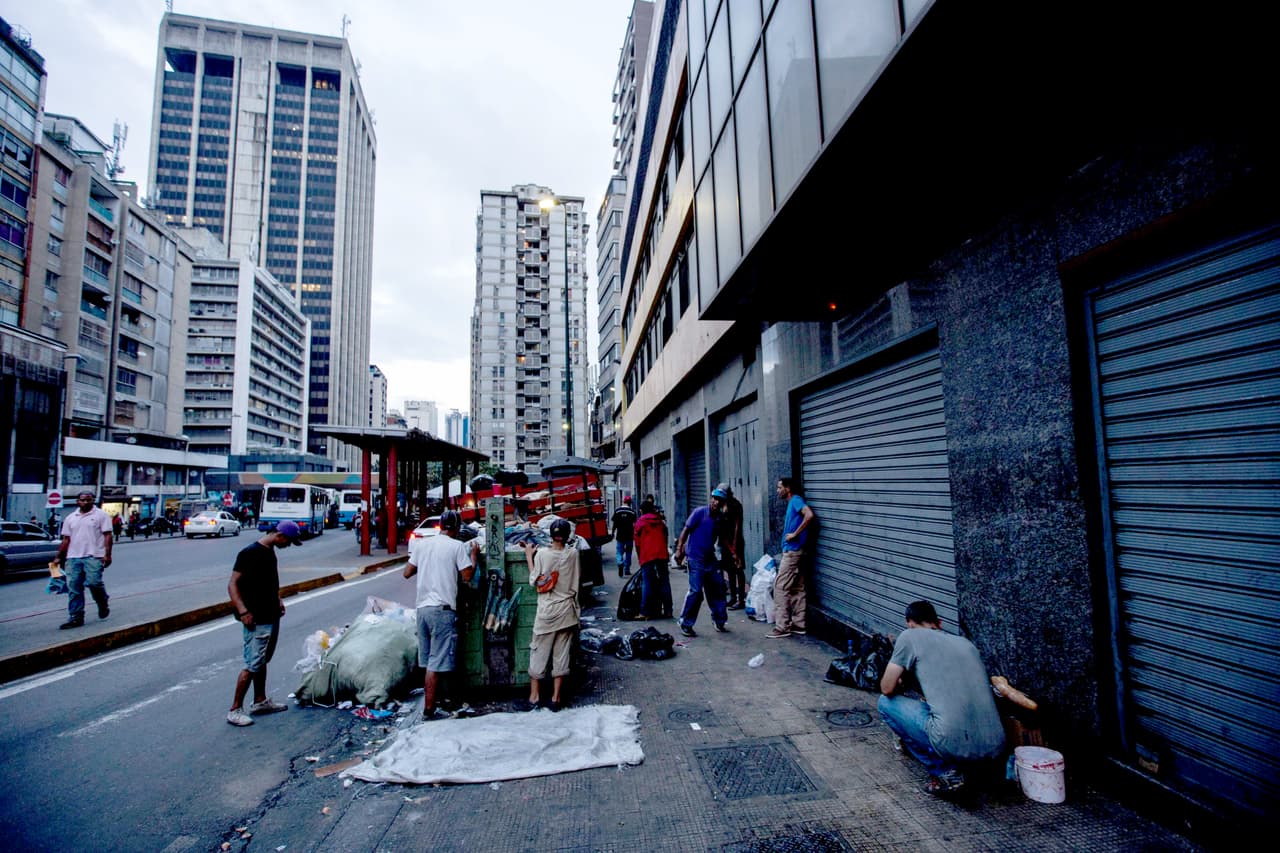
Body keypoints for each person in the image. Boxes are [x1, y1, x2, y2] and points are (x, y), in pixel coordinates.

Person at [878, 600, 1006, 795]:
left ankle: (944, 771)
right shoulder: (966, 644)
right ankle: (975, 769)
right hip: (997, 746)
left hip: (952, 742)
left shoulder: (909, 636)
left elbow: (886, 688)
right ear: (939, 623)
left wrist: (901, 679)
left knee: (885, 704)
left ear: (910, 624)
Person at [403, 510, 479, 720]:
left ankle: (436, 702)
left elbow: (407, 572)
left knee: (429, 660)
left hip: (422, 610)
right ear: (456, 528)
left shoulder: (422, 545)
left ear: (441, 526)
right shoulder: (456, 547)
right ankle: (429, 709)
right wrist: (473, 557)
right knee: (437, 663)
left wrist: (427, 565)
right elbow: (467, 576)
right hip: (442, 611)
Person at [226, 520, 302, 726]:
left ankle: (260, 700)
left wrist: (278, 600)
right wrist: (243, 611)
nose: (288, 545)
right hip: (256, 616)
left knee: (262, 659)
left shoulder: (269, 552)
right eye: (288, 541)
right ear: (280, 535)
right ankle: (235, 709)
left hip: (270, 614)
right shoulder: (249, 553)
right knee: (253, 663)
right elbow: (232, 584)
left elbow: (269, 582)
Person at [521, 518, 581, 711]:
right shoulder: (573, 554)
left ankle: (534, 697)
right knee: (561, 654)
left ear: (551, 535)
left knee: (538, 651)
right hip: (567, 611)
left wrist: (529, 555)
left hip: (547, 613)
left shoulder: (542, 554)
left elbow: (535, 580)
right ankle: (556, 698)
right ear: (567, 535)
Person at [673, 487, 730, 637]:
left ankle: (719, 620)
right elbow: (686, 530)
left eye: (719, 500)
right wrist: (679, 549)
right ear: (711, 499)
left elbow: (722, 538)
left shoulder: (720, 519)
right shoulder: (699, 512)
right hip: (695, 558)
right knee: (696, 592)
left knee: (718, 589)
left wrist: (733, 553)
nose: (716, 502)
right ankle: (685, 622)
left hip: (710, 559)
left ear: (723, 503)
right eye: (714, 499)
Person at [56, 491, 114, 630]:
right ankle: (76, 616)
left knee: (94, 583)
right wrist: (59, 556)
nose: (86, 502)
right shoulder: (70, 518)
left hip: (94, 556)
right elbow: (66, 539)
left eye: (89, 500)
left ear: (93, 500)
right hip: (73, 557)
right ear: (78, 501)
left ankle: (102, 601)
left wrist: (107, 554)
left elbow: (108, 535)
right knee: (74, 587)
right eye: (83, 500)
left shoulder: (101, 515)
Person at [766, 478, 815, 639]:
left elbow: (809, 515)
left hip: (793, 552)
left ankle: (782, 626)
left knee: (780, 586)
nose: (777, 490)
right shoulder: (793, 502)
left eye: (779, 487)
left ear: (788, 488)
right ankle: (799, 624)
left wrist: (795, 534)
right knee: (797, 587)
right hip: (797, 551)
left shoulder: (795, 500)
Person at [633, 497, 672, 619]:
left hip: (647, 554)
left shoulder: (640, 522)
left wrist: (640, 558)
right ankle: (668, 610)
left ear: (642, 510)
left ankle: (645, 612)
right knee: (664, 581)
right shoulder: (660, 521)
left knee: (647, 582)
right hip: (661, 553)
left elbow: (637, 543)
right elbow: (665, 536)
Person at [715, 482, 747, 609]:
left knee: (738, 569)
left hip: (735, 542)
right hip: (725, 543)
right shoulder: (721, 505)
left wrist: (734, 548)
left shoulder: (735, 505)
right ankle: (733, 597)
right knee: (730, 570)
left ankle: (741, 599)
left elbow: (737, 527)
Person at [611, 496, 637, 578]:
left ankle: (620, 562)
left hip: (620, 536)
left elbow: (614, 524)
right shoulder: (632, 512)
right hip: (629, 536)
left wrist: (612, 532)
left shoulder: (617, 511)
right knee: (628, 552)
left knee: (619, 551)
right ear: (630, 503)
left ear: (623, 501)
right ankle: (627, 569)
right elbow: (635, 525)